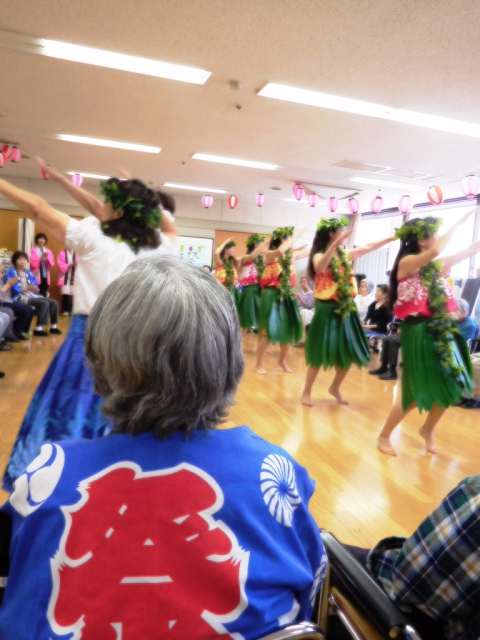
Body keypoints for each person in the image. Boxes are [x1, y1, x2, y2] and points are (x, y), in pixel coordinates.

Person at [0, 256, 327, 640]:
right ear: (228, 361)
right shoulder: (274, 471)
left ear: (98, 362)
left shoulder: (50, 475)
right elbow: (309, 591)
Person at [0, 159, 177, 492]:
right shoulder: (158, 246)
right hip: (138, 343)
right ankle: (116, 484)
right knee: (126, 412)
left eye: (108, 203)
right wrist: (149, 199)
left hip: (90, 338)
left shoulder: (93, 234)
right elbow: (170, 229)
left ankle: (61, 484)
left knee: (72, 409)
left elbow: (37, 207)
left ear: (120, 212)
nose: (100, 206)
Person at [377, 212, 480, 457]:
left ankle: (427, 429)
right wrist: (457, 222)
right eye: (434, 234)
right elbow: (434, 253)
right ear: (421, 240)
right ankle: (384, 435)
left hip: (442, 329)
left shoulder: (434, 267)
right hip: (419, 331)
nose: (437, 238)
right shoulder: (406, 263)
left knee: (453, 384)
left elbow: (467, 251)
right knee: (414, 390)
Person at [343, 475, 480, 640]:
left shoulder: (475, 489)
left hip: (402, 608)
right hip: (444, 622)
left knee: (322, 548)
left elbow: (410, 578)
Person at [301, 217, 394, 406]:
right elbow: (320, 267)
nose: (344, 235)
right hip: (327, 309)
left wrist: (391, 239)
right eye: (341, 232)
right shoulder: (319, 254)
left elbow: (368, 247)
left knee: (349, 351)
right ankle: (306, 391)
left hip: (347, 309)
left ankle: (335, 387)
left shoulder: (345, 255)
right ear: (331, 234)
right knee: (319, 353)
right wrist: (334, 245)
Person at [255, 227, 310, 374]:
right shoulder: (270, 255)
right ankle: (259, 364)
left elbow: (311, 252)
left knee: (288, 331)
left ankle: (282, 362)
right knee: (268, 331)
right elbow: (280, 251)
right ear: (282, 241)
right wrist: (297, 235)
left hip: (286, 295)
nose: (290, 243)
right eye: (287, 240)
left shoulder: (291, 256)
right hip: (271, 295)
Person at [4, 251, 61, 337]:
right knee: (44, 303)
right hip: (18, 297)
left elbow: (34, 283)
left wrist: (35, 288)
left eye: (24, 260)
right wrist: (26, 289)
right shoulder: (11, 272)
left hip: (31, 295)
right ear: (15, 261)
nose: (23, 262)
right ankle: (38, 328)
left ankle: (53, 326)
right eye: (20, 260)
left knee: (54, 302)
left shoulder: (28, 272)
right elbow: (11, 287)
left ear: (27, 261)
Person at [237, 234, 269, 334]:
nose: (263, 247)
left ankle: (261, 348)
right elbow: (252, 256)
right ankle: (237, 345)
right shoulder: (246, 257)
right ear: (256, 244)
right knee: (247, 321)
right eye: (260, 244)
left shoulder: (261, 259)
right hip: (250, 289)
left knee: (262, 320)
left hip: (260, 290)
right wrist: (265, 243)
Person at [214, 237, 240, 307]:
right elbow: (216, 253)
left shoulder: (233, 263)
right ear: (225, 249)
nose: (233, 250)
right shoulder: (220, 262)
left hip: (233, 290)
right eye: (231, 248)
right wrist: (225, 242)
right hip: (221, 289)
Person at [29, 233, 55, 297]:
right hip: (36, 274)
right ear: (37, 240)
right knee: (36, 292)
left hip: (45, 274)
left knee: (44, 292)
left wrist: (46, 258)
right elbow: (32, 262)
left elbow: (51, 263)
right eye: (40, 238)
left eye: (43, 239)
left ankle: (44, 304)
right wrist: (40, 257)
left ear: (45, 241)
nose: (42, 240)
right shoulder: (32, 250)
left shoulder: (48, 251)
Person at [57, 247, 77, 316]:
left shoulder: (76, 254)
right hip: (64, 276)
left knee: (74, 293)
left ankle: (72, 309)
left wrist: (76, 264)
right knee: (65, 293)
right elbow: (61, 265)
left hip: (74, 276)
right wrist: (71, 264)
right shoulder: (62, 254)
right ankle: (65, 310)